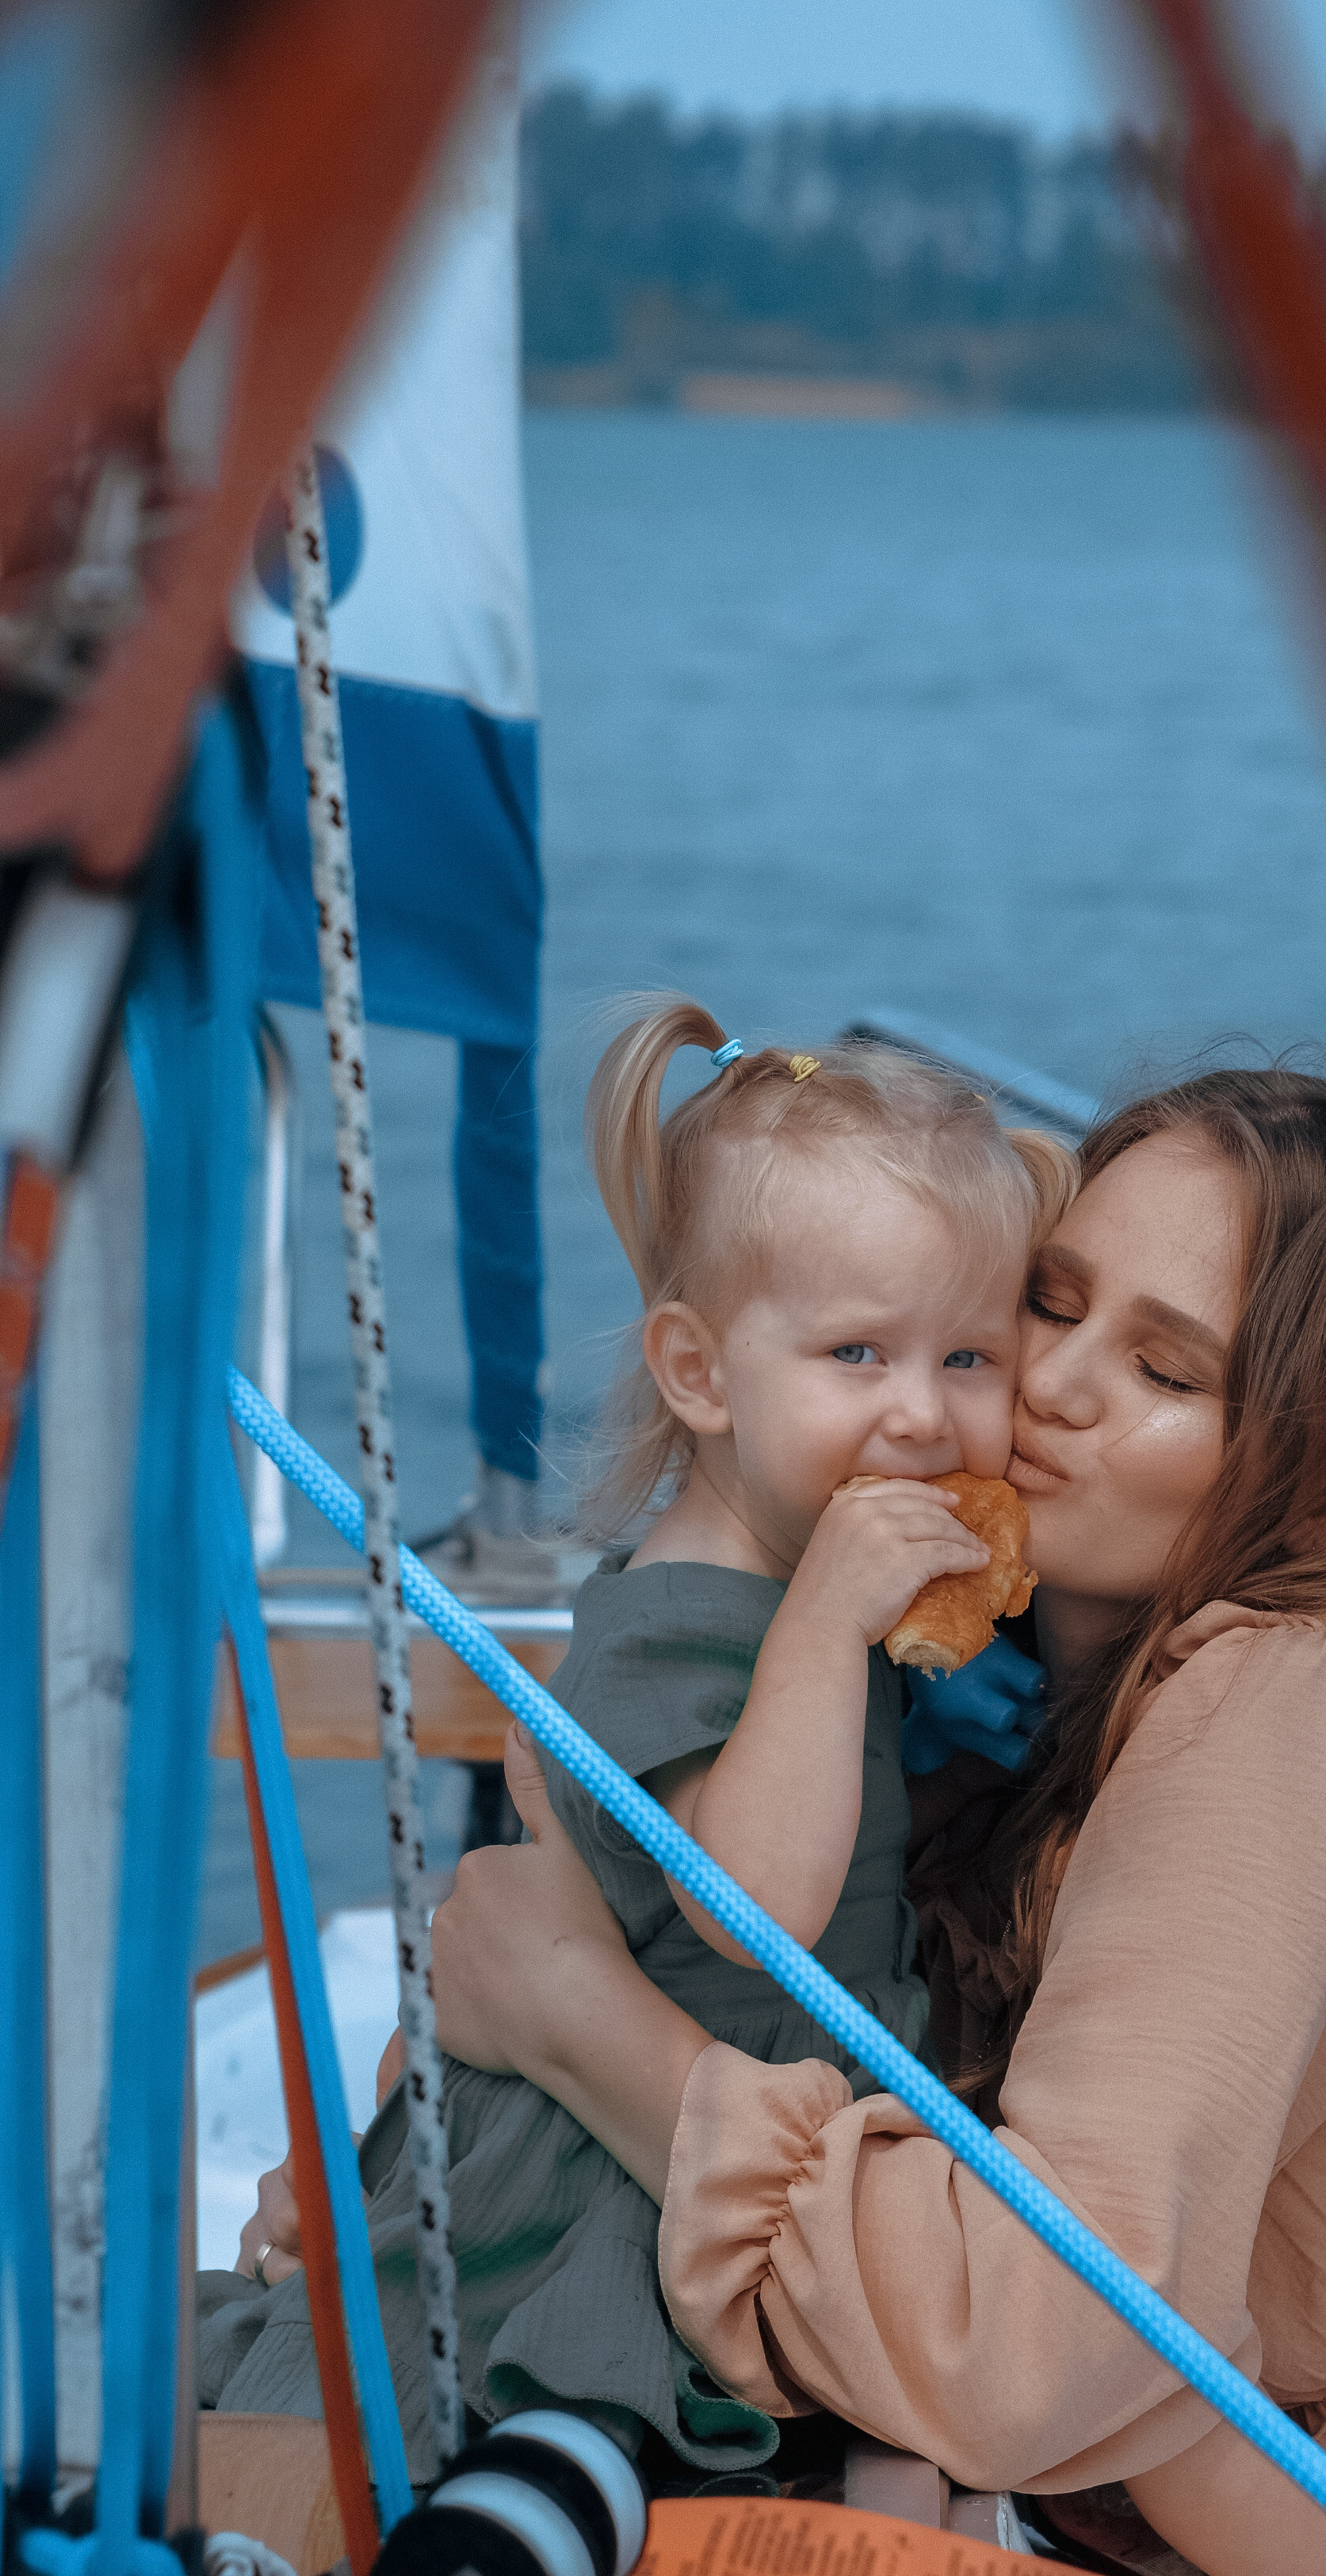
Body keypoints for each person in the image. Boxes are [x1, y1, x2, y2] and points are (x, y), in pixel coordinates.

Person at [356, 1064, 1326, 2576]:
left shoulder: (1292, 1703)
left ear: (1325, 1484)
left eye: (1166, 1374)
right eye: (1050, 1307)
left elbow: (1050, 2339)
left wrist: (573, 2023)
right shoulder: (977, 1687)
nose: (1049, 1387)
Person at [205, 998, 1070, 2482]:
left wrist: (929, 1691)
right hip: (611, 2161)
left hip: (741, 2093)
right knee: (582, 2418)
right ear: (701, 1374)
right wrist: (831, 1628)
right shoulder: (679, 1624)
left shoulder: (795, 1580)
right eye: (858, 1353)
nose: (925, 1415)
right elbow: (750, 1911)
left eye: (972, 1358)